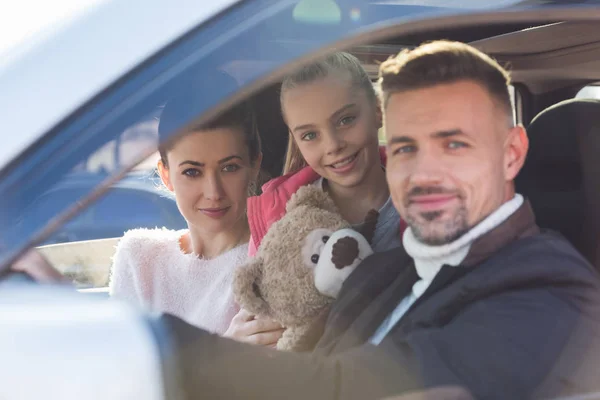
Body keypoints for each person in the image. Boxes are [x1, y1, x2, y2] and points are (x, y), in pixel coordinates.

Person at [153, 41, 600, 399]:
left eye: (453, 145)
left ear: (511, 152)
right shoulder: (385, 270)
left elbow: (353, 386)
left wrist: (148, 341)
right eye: (405, 147)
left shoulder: (552, 288)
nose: (424, 173)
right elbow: (313, 364)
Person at [225, 52, 405, 346]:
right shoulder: (277, 216)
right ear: (295, 140)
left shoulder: (428, 198)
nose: (333, 145)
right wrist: (240, 345)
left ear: (377, 110)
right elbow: (263, 321)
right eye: (310, 135)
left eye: (346, 120)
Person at [108, 74, 269, 336]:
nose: (214, 192)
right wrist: (226, 355)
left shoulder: (273, 260)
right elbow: (122, 370)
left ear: (254, 166)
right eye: (192, 172)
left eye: (229, 168)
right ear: (165, 174)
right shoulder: (140, 258)